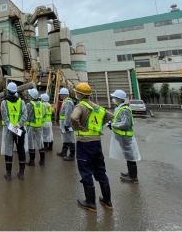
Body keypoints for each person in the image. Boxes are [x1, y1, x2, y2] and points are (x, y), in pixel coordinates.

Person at [71, 82, 114, 212]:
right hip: (96, 142)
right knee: (100, 170)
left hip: (84, 143)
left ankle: (90, 202)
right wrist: (99, 126)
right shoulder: (97, 107)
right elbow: (110, 116)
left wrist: (79, 127)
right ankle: (107, 201)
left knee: (86, 171)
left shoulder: (81, 106)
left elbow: (73, 117)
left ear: (79, 94)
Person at [108, 89, 141, 184]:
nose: (113, 99)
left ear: (119, 99)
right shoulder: (120, 108)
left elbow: (125, 124)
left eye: (114, 97)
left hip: (125, 137)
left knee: (130, 156)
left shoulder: (124, 110)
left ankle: (133, 177)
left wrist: (113, 125)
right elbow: (119, 121)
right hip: (122, 137)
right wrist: (112, 123)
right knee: (128, 155)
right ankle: (130, 173)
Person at [1, 82, 28, 180]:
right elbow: (25, 115)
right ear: (16, 91)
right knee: (21, 150)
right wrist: (18, 125)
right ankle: (21, 173)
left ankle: (8, 174)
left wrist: (12, 127)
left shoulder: (4, 102)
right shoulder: (21, 102)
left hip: (9, 130)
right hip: (19, 129)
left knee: (9, 149)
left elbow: (4, 117)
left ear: (8, 91)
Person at [26, 88, 46, 166]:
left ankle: (31, 161)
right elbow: (44, 115)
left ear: (31, 96)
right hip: (39, 126)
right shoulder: (42, 104)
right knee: (40, 142)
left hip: (31, 126)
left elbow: (28, 116)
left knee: (31, 143)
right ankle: (42, 160)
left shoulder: (29, 104)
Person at [57, 88, 76, 161]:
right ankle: (64, 152)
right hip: (64, 122)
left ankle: (72, 155)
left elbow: (68, 114)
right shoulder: (65, 101)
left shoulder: (68, 102)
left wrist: (66, 125)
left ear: (64, 95)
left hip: (67, 123)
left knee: (70, 139)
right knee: (65, 138)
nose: (60, 95)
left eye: (61, 94)